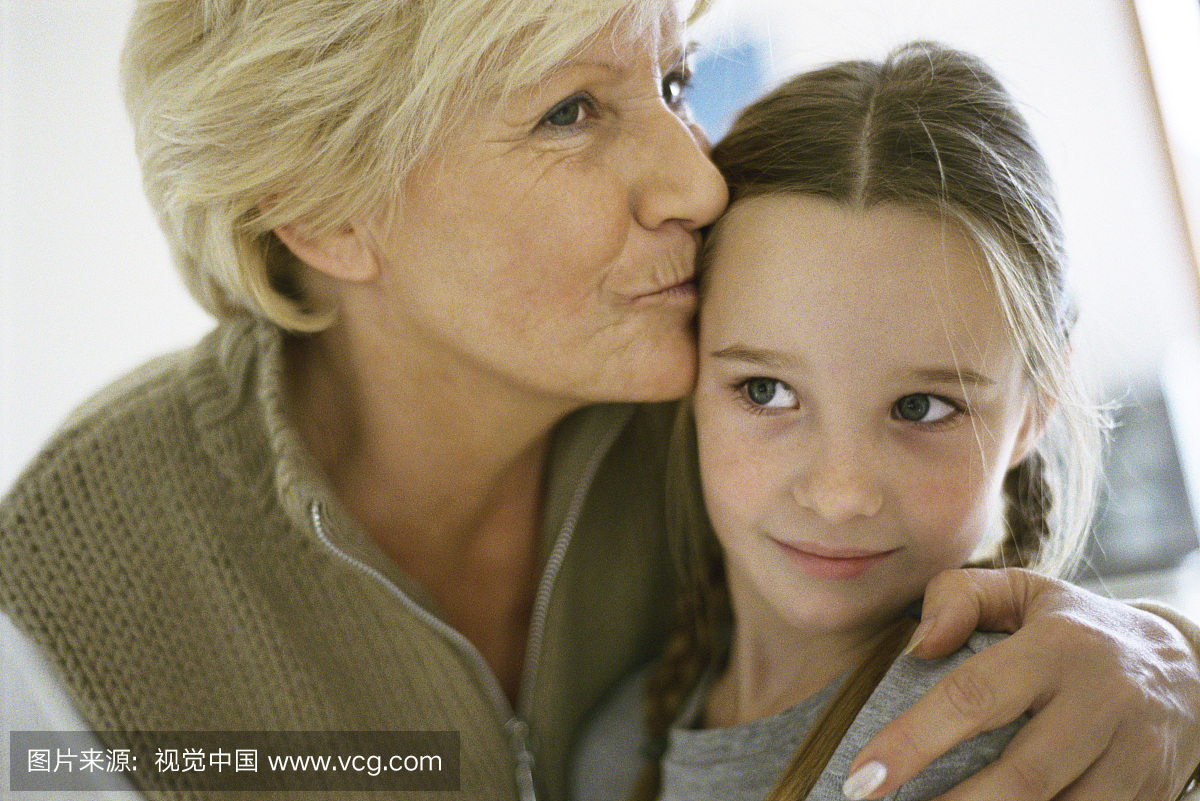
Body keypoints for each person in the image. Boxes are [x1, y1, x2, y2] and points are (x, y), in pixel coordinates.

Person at [1, 1, 1198, 799]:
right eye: (569, 111)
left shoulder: (708, 373)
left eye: (673, 79)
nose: (697, 177)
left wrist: (1177, 661)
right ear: (321, 207)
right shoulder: (64, 593)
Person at [570, 41, 1127, 801]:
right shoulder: (615, 745)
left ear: (1037, 405)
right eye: (766, 391)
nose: (838, 494)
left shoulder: (1009, 740)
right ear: (688, 366)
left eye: (921, 407)